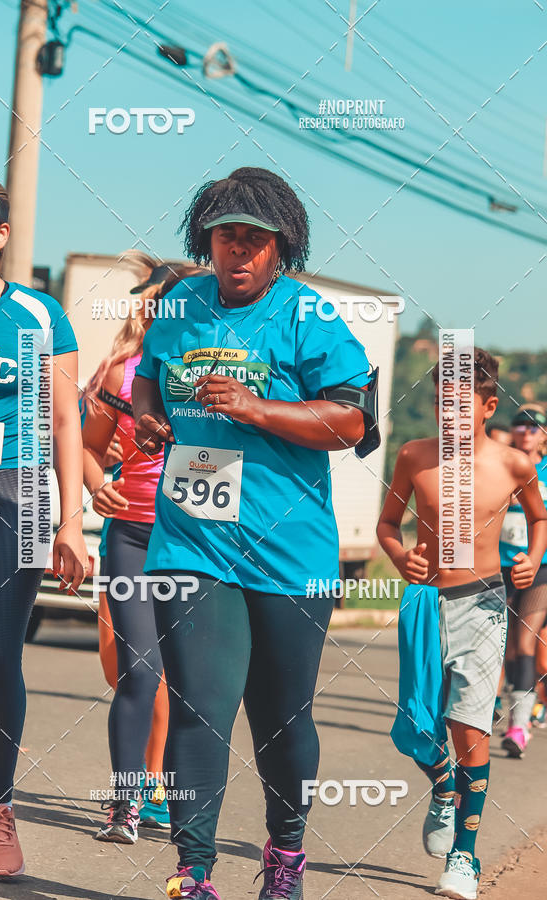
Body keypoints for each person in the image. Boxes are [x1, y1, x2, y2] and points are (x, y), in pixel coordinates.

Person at [132, 166, 379, 900]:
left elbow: (351, 422)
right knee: (201, 706)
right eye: (224, 236)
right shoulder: (181, 303)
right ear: (204, 240)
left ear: (280, 248)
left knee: (280, 719)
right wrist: (149, 416)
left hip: (289, 551)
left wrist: (254, 408)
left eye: (253, 239)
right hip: (192, 540)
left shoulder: (309, 316)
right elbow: (150, 375)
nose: (236, 252)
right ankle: (193, 871)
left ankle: (286, 853)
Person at [0, 172, 87, 877]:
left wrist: (72, 521)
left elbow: (66, 419)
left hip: (19, 487)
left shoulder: (37, 314)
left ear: (0, 233)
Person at [378, 349, 547, 900]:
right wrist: (401, 558)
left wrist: (530, 558)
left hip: (485, 603)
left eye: (459, 404)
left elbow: (540, 517)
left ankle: (464, 857)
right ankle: (443, 787)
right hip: (425, 604)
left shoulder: (513, 464)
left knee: (469, 724)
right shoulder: (413, 455)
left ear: (487, 405)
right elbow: (387, 525)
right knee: (419, 730)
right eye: (438, 403)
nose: (447, 414)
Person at [82, 261, 202, 843]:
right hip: (131, 534)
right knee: (134, 670)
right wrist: (94, 483)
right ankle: (125, 803)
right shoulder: (121, 374)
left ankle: (173, 804)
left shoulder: (224, 377)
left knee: (191, 680)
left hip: (199, 541)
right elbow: (86, 449)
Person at [499, 404, 547, 755]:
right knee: (500, 643)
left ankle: (518, 727)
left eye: (535, 426)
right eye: (521, 424)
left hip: (540, 565)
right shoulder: (499, 465)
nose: (527, 431)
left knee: (526, 642)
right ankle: (484, 712)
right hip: (496, 564)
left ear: (544, 436)